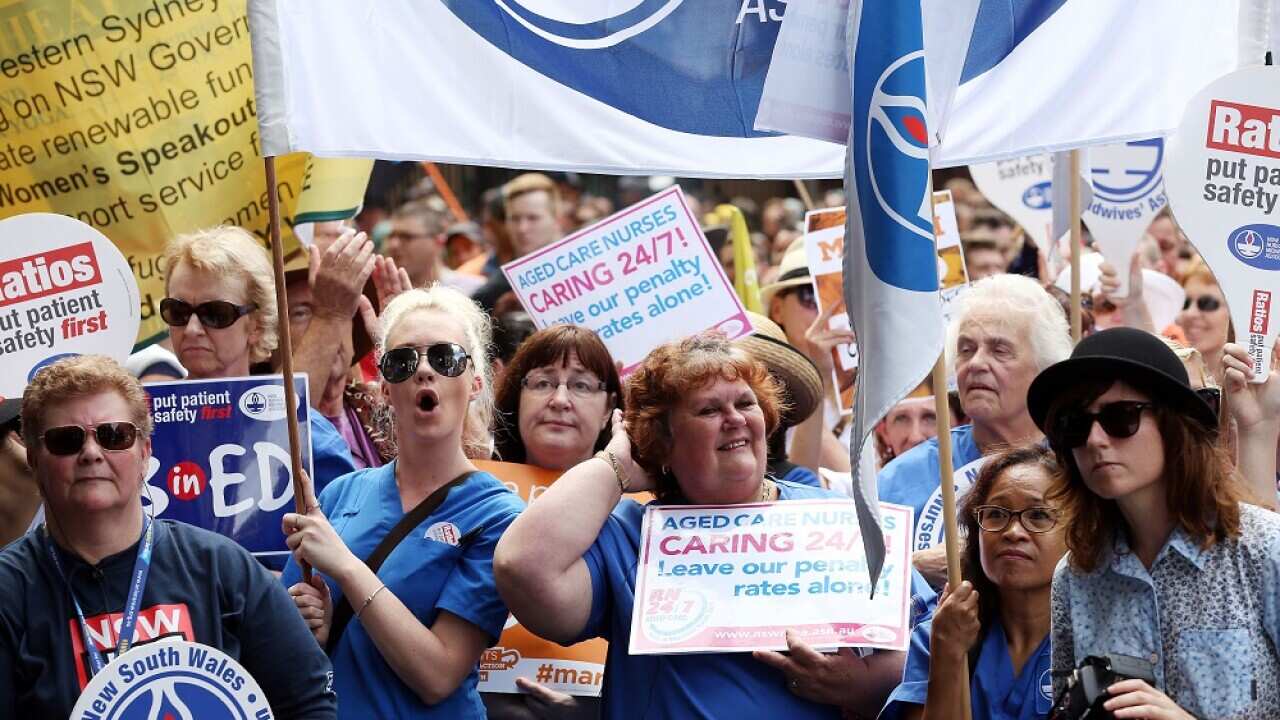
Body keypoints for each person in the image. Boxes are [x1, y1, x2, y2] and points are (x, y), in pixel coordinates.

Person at [494, 334, 905, 719]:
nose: (734, 419)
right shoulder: (632, 534)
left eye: (745, 404)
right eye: (709, 409)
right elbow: (522, 569)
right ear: (663, 440)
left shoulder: (844, 517)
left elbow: (929, 647)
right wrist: (616, 465)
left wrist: (865, 685)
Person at [0, 355, 336, 718]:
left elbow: (309, 701)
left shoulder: (221, 567)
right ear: (33, 459)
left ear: (145, 453)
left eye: (115, 435)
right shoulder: (9, 590)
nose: (92, 453)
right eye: (66, 440)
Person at [282, 286, 525, 719]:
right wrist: (309, 627)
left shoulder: (499, 516)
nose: (424, 371)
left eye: (444, 357)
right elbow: (287, 647)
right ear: (385, 389)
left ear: (475, 383)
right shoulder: (340, 494)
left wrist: (346, 568)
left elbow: (437, 675)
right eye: (403, 361)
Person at [1028, 327, 1280, 719]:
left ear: (1172, 424)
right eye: (1074, 424)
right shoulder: (1075, 576)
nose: (1095, 439)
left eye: (1120, 417)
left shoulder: (1263, 549)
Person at [879, 273, 1072, 567]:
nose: (976, 364)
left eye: (1000, 350)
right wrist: (913, 564)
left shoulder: (1079, 464)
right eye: (966, 349)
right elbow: (860, 580)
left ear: (1044, 368)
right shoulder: (901, 479)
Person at [486, 324, 622, 719]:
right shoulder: (467, 494)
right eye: (543, 383)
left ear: (609, 410)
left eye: (581, 386)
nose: (560, 400)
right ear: (517, 398)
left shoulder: (644, 515)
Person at [161, 225, 357, 491]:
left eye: (216, 313)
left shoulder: (303, 431)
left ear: (255, 325)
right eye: (178, 311)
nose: (193, 329)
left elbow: (344, 525)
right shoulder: (140, 428)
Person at [882, 444, 1066, 719]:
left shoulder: (1097, 634)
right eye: (996, 514)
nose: (1013, 532)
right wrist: (948, 656)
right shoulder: (938, 632)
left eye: (1038, 515)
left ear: (1080, 533)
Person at [475, 174, 564, 312]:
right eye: (515, 219)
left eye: (533, 218)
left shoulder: (588, 274)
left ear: (557, 220)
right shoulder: (492, 294)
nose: (522, 228)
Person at [1175, 258, 1230, 381]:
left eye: (1207, 303)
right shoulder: (1169, 372)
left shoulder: (1259, 385)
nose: (1190, 313)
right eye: (1186, 303)